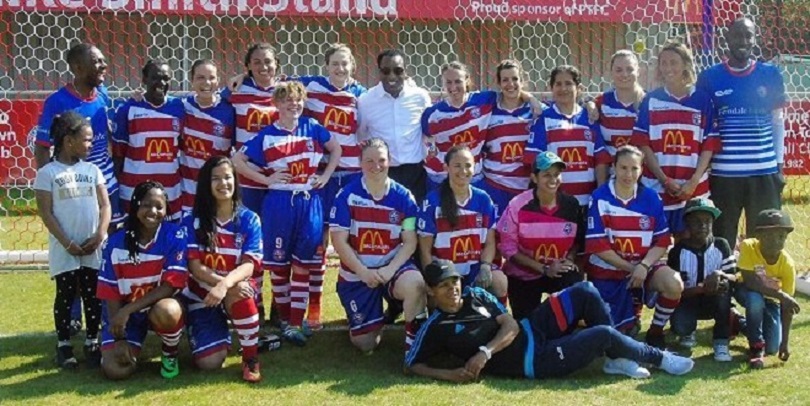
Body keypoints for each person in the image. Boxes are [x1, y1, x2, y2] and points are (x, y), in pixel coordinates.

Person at [405, 260, 694, 381]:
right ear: (430, 291)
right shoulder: (435, 326)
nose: (453, 289)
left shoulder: (475, 294)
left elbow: (510, 324)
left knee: (585, 290)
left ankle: (615, 360)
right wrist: (450, 375)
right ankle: (660, 358)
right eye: (444, 286)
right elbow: (412, 364)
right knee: (603, 334)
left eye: (454, 281)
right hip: (532, 361)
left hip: (531, 328)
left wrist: (485, 352)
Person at [233, 81, 341, 346]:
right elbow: (237, 161)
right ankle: (285, 320)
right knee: (279, 266)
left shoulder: (313, 127)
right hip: (279, 202)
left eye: (298, 100)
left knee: (304, 263)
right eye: (287, 100)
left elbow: (336, 149)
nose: (294, 104)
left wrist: (326, 175)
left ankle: (295, 322)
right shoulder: (267, 135)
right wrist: (265, 179)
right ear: (277, 104)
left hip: (309, 200)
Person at [329, 138, 426, 354]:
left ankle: (414, 351)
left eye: (381, 160)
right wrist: (363, 272)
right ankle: (371, 317)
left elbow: (410, 241)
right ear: (360, 163)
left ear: (389, 161)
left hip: (392, 267)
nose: (376, 166)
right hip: (357, 272)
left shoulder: (404, 197)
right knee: (366, 344)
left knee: (416, 284)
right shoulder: (347, 195)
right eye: (369, 161)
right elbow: (339, 242)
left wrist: (390, 269)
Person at [697, 17, 788, 247]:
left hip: (764, 173)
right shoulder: (709, 77)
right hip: (724, 176)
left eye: (748, 35)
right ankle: (725, 271)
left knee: (764, 242)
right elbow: (704, 127)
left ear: (755, 39)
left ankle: (757, 273)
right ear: (727, 38)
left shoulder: (771, 74)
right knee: (721, 240)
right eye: (738, 35)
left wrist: (779, 166)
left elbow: (778, 123)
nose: (743, 41)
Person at [297, 44, 368, 330]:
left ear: (353, 66)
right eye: (335, 63)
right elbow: (272, 84)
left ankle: (358, 305)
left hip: (351, 174)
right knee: (319, 240)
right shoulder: (311, 86)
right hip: (321, 175)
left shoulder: (361, 95)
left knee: (353, 239)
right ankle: (314, 308)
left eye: (345, 63)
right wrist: (239, 79)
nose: (340, 68)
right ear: (326, 66)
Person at [34, 111, 112, 369]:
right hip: (64, 247)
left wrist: (100, 234)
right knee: (66, 294)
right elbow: (46, 212)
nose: (91, 145)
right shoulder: (48, 173)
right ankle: (64, 344)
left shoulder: (92, 170)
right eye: (86, 140)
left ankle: (92, 341)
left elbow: (105, 205)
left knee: (93, 294)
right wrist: (67, 243)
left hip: (92, 246)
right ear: (68, 141)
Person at [585, 145, 683, 348]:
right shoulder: (599, 197)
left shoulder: (651, 198)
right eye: (623, 168)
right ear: (613, 168)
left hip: (643, 267)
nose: (628, 174)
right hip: (608, 271)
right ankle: (631, 314)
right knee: (612, 335)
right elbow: (598, 247)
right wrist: (633, 269)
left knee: (674, 284)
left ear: (641, 170)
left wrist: (644, 266)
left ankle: (655, 331)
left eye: (634, 168)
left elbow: (662, 242)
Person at [182, 156, 264, 382]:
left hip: (234, 288)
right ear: (206, 184)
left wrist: (225, 285)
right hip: (203, 295)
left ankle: (250, 358)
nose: (223, 183)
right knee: (209, 363)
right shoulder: (193, 220)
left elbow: (249, 265)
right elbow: (195, 267)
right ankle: (216, 330)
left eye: (227, 177)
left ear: (235, 180)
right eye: (215, 178)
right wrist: (221, 286)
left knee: (242, 292)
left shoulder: (249, 219)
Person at [97, 181, 187, 380]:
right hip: (126, 315)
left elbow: (170, 286)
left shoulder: (175, 236)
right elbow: (109, 291)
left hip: (155, 308)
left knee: (168, 310)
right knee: (115, 370)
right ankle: (127, 345)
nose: (153, 211)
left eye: (159, 207)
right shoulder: (115, 242)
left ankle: (170, 353)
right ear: (135, 205)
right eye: (146, 205)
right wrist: (119, 338)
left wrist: (127, 310)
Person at [221, 43, 282, 326]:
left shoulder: (286, 91)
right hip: (247, 180)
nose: (263, 67)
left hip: (279, 181)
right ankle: (252, 300)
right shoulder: (237, 91)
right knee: (249, 242)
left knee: (278, 244)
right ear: (247, 67)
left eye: (268, 61)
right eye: (256, 62)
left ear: (277, 64)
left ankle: (280, 305)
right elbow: (207, 99)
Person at [632, 42, 719, 238]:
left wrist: (693, 181)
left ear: (686, 64)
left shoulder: (703, 100)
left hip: (693, 189)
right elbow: (643, 144)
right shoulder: (651, 100)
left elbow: (709, 145)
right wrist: (664, 180)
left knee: (689, 243)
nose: (668, 68)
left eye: (674, 62)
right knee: (656, 244)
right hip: (657, 187)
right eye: (663, 63)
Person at [496, 151, 585, 320]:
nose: (553, 179)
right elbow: (508, 249)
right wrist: (544, 269)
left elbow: (577, 241)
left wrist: (569, 259)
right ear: (534, 178)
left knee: (575, 291)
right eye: (546, 175)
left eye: (557, 174)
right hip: (523, 274)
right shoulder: (517, 205)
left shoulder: (571, 205)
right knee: (526, 326)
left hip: (558, 270)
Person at [418, 146, 507, 304]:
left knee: (499, 281)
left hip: (475, 269)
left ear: (475, 168)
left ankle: (499, 316)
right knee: (440, 303)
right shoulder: (432, 201)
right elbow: (425, 251)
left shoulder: (484, 199)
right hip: (445, 272)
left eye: (468, 165)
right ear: (446, 168)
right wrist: (432, 278)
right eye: (457, 166)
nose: (463, 171)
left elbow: (490, 242)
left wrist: (485, 266)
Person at [524, 65, 611, 208]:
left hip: (586, 203)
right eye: (558, 84)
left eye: (568, 83)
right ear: (551, 88)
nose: (563, 88)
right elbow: (535, 162)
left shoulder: (590, 118)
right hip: (555, 205)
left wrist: (600, 193)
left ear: (579, 88)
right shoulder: (543, 120)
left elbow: (600, 159)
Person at [112, 59, 185, 221]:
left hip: (170, 192)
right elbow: (118, 157)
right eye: (155, 78)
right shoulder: (128, 109)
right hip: (134, 191)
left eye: (166, 78)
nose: (161, 83)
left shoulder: (179, 107)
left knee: (168, 235)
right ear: (144, 79)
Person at [357, 49, 432, 204]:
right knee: (385, 217)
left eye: (398, 71)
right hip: (382, 173)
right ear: (379, 72)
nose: (392, 76)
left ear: (406, 71)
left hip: (416, 173)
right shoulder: (366, 100)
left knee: (414, 218)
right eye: (386, 71)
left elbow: (428, 131)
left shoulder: (420, 97)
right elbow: (361, 135)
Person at [668, 198, 737, 361]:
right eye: (696, 222)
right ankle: (688, 332)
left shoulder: (721, 245)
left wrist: (720, 275)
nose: (703, 226)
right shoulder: (677, 252)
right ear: (687, 223)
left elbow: (734, 276)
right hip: (688, 300)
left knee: (723, 291)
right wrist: (701, 288)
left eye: (707, 221)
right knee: (681, 325)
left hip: (715, 301)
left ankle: (721, 341)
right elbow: (673, 289)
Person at [735, 209, 801, 369]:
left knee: (772, 347)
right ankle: (756, 347)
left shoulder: (787, 265)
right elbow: (750, 282)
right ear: (758, 236)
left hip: (772, 301)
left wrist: (785, 344)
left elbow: (787, 307)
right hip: (746, 291)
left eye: (781, 236)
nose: (775, 241)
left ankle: (737, 322)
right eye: (769, 236)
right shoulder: (748, 246)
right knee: (755, 299)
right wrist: (782, 296)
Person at [481, 59, 538, 217]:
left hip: (526, 187)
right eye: (505, 80)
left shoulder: (535, 110)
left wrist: (589, 104)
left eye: (515, 79)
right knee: (496, 229)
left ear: (522, 81)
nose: (510, 84)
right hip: (495, 185)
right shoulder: (489, 111)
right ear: (499, 83)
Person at [179, 60, 235, 213]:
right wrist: (139, 96)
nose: (206, 83)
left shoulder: (230, 110)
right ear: (191, 80)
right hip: (188, 193)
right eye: (200, 77)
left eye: (211, 78)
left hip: (218, 193)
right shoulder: (182, 107)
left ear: (218, 80)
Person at [595, 50, 645, 159]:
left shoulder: (648, 103)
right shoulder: (601, 102)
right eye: (618, 70)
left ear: (638, 71)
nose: (624, 74)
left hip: (641, 168)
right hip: (609, 168)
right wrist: (589, 103)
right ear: (611, 72)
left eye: (630, 69)